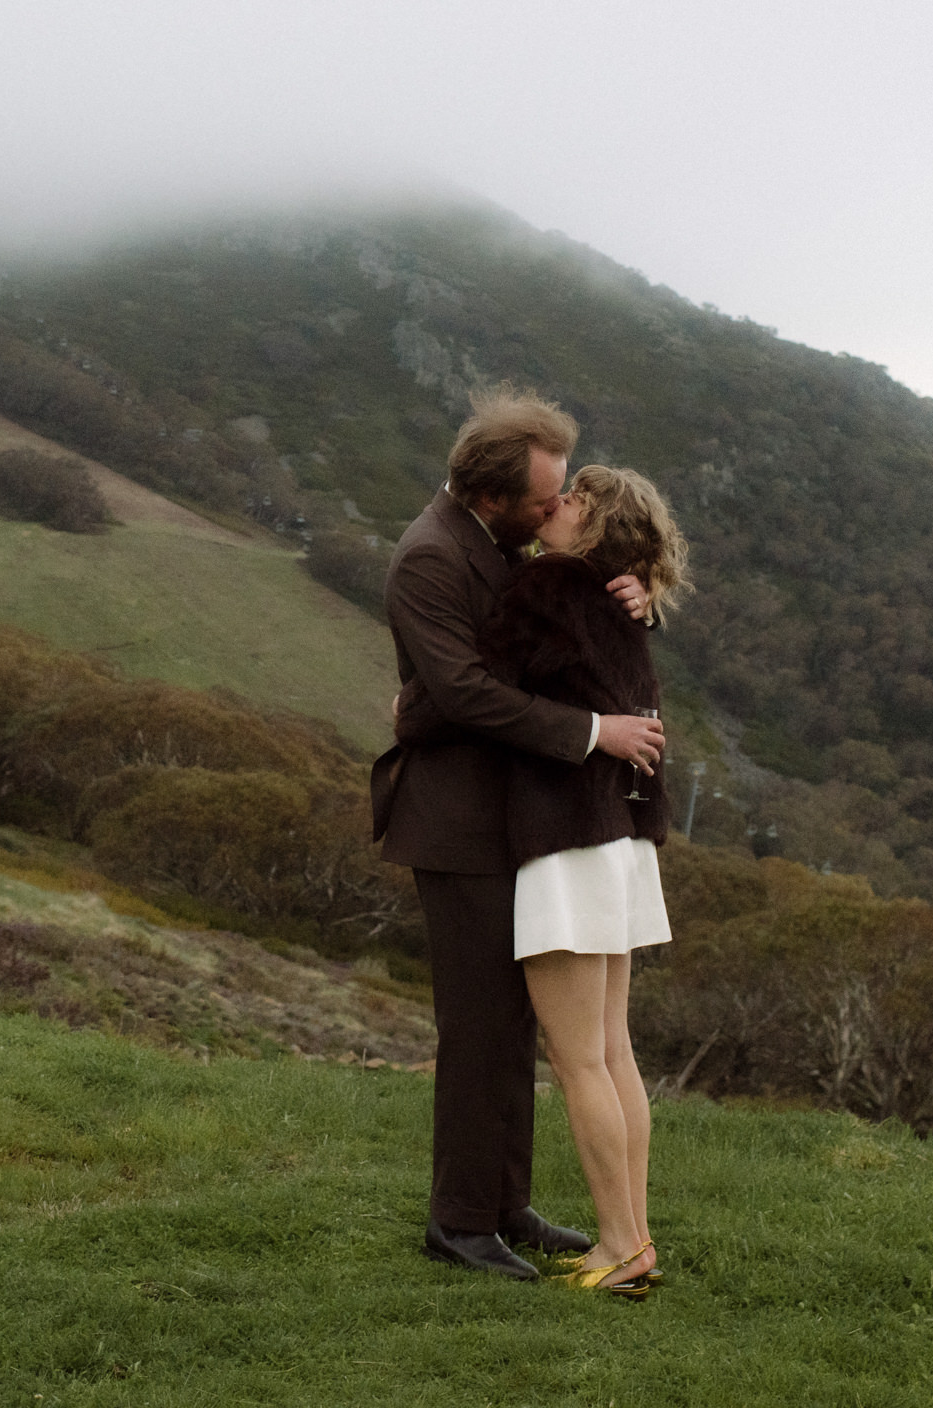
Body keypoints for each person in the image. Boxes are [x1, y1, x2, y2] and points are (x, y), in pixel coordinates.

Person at [371, 388, 665, 1282]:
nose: (553, 512)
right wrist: (594, 732)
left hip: (518, 821)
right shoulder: (429, 558)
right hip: (457, 825)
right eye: (542, 501)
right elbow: (466, 690)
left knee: (520, 1023)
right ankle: (460, 1222)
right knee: (478, 1028)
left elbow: (548, 640)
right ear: (491, 496)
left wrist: (635, 594)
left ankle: (505, 1205)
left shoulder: (506, 544)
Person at [474, 462, 690, 1298]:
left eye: (575, 501)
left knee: (577, 1060)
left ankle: (620, 1247)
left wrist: (407, 711)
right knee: (611, 1051)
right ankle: (633, 1239)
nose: (557, 504)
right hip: (623, 842)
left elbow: (477, 687)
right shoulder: (622, 601)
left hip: (568, 841)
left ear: (596, 527)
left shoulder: (547, 589)